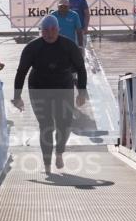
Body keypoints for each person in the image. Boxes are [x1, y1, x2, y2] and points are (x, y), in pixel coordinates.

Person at [13, 15, 88, 175]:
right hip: (39, 87)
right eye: (46, 31)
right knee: (46, 126)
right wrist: (17, 96)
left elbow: (81, 69)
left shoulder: (68, 45)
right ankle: (47, 165)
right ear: (41, 31)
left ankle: (59, 152)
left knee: (65, 123)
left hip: (63, 86)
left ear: (58, 30)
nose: (49, 34)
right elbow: (21, 71)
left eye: (53, 30)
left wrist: (81, 91)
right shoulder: (32, 48)